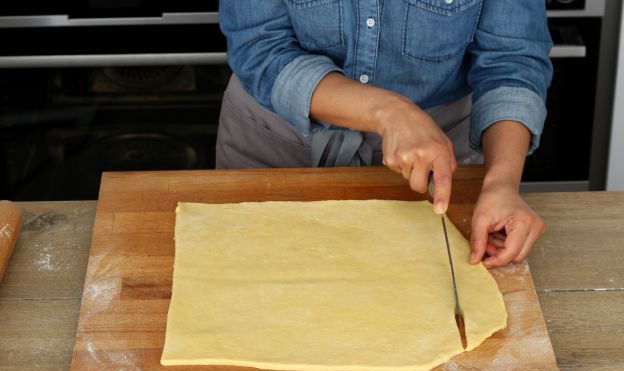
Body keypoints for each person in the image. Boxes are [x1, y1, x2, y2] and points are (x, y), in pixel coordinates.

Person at [217, 0, 553, 268]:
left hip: (437, 161)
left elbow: (511, 63)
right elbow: (260, 48)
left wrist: (502, 182)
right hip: (276, 147)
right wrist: (388, 112)